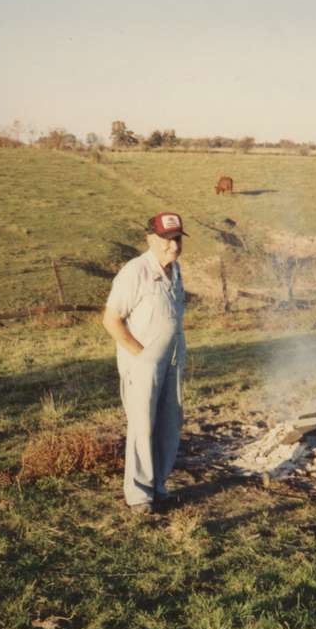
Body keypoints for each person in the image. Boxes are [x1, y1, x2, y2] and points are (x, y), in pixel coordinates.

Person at [102, 212, 188, 514]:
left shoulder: (176, 272)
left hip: (173, 362)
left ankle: (159, 487)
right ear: (151, 238)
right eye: (166, 240)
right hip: (143, 364)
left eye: (177, 239)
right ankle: (139, 495)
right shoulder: (134, 272)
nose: (173, 246)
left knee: (169, 424)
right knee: (143, 427)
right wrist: (140, 355)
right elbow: (111, 320)